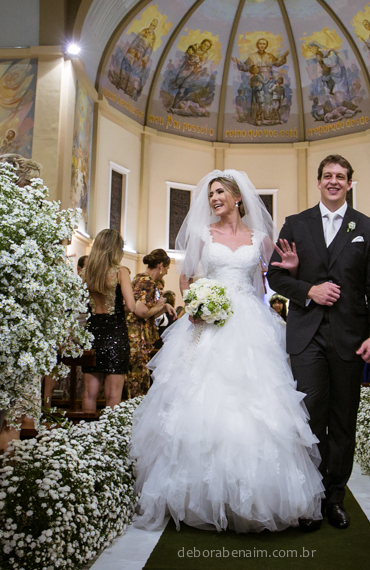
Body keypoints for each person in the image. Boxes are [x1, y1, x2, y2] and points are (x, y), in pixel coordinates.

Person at [130, 170, 325, 533]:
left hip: (251, 320)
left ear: (239, 198)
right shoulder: (204, 234)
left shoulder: (261, 238)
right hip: (209, 322)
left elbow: (274, 277)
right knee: (202, 399)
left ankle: (256, 497)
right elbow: (186, 275)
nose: (214, 198)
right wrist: (195, 305)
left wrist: (293, 269)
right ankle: (199, 495)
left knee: (255, 404)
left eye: (220, 192)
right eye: (211, 194)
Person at [268, 154, 370, 530]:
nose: (334, 181)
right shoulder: (296, 224)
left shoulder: (366, 228)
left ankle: (334, 497)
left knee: (342, 421)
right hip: (306, 338)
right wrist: (309, 289)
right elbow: (275, 278)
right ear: (318, 182)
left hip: (350, 339)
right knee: (309, 418)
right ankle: (309, 498)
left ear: (350, 184)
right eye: (328, 176)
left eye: (341, 176)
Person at [82, 229, 146, 412]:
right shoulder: (120, 272)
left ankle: (85, 436)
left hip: (92, 333)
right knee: (113, 395)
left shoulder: (86, 272)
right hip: (115, 334)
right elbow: (132, 307)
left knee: (88, 394)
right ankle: (106, 439)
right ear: (115, 249)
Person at [126, 249, 173, 397]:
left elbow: (148, 313)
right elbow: (140, 311)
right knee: (137, 381)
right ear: (160, 265)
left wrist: (163, 307)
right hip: (136, 336)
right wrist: (159, 306)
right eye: (166, 268)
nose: (166, 272)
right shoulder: (147, 281)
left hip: (138, 335)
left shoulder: (141, 279)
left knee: (139, 379)